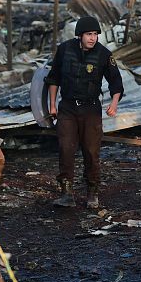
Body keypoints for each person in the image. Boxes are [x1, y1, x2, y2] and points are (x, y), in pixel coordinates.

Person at [46, 16, 124, 209]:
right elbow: (53, 78)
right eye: (89, 34)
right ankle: (66, 193)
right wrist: (52, 106)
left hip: (91, 109)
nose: (93, 38)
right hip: (68, 108)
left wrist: (114, 104)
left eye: (96, 34)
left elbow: (116, 83)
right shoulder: (65, 50)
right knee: (66, 148)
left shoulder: (104, 55)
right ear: (80, 35)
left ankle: (92, 193)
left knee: (91, 151)